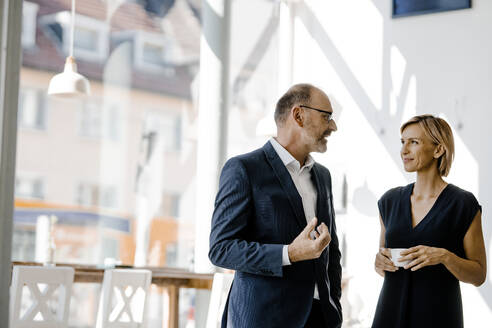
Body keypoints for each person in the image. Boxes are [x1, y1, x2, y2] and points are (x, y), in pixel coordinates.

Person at [209, 84, 343, 328]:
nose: (333, 126)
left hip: (319, 318)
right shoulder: (244, 169)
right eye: (327, 117)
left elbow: (331, 253)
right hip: (264, 318)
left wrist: (333, 305)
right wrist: (289, 253)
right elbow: (221, 248)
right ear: (298, 115)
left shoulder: (323, 176)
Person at [372, 115, 487, 328]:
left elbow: (479, 275)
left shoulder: (463, 204)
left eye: (413, 142)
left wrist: (444, 256)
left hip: (438, 315)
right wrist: (379, 263)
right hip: (390, 313)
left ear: (438, 150)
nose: (404, 150)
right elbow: (383, 263)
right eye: (402, 142)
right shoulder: (388, 201)